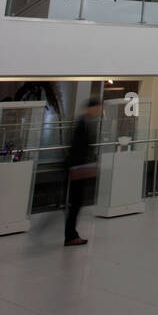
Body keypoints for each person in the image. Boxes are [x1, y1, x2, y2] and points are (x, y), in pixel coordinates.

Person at [64, 97, 100, 246]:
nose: (99, 111)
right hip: (77, 168)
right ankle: (71, 235)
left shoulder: (85, 122)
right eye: (98, 108)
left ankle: (71, 234)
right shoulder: (82, 123)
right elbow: (77, 148)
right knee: (76, 203)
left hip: (78, 167)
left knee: (77, 203)